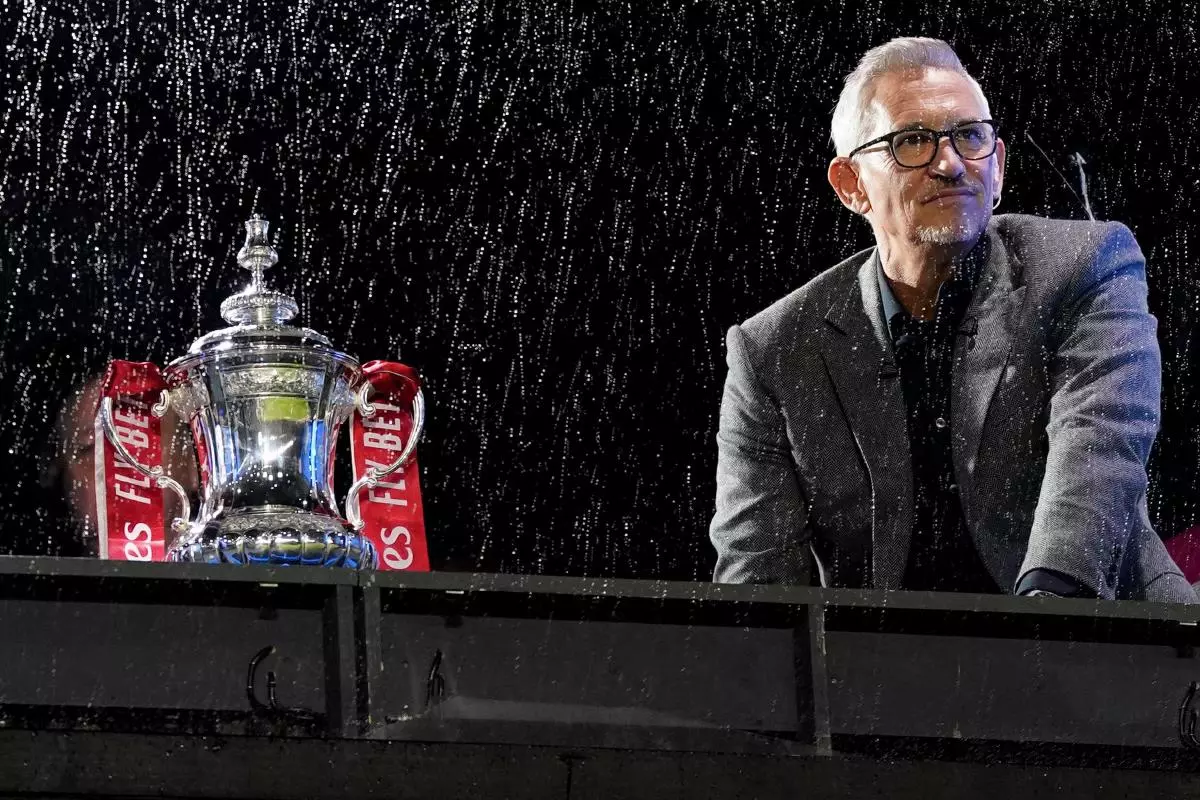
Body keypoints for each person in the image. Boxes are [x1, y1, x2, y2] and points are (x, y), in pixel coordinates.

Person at [708, 36, 1195, 602]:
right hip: (881, 673)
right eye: (912, 140)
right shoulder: (773, 350)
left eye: (970, 136)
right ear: (851, 185)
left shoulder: (1085, 265)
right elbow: (758, 584)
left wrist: (1044, 624)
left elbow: (1100, 448)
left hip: (1107, 649)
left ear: (999, 166)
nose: (950, 163)